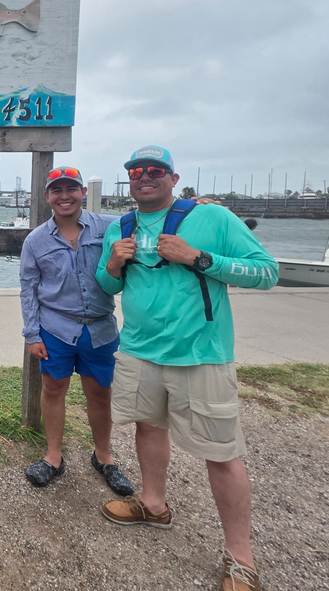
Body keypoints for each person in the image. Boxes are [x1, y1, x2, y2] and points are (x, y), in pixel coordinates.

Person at [96, 145, 277, 591]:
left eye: (156, 170)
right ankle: (153, 504)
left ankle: (240, 557)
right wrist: (114, 263)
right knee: (148, 427)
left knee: (222, 453)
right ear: (130, 181)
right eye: (136, 171)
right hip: (139, 351)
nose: (145, 177)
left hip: (202, 355)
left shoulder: (213, 219)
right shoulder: (121, 226)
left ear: (173, 179)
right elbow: (107, 283)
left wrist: (199, 258)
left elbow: (267, 272)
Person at [19, 166, 134, 495]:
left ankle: (104, 457)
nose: (64, 195)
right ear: (47, 197)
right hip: (55, 328)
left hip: (101, 329)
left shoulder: (110, 227)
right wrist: (32, 334)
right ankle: (53, 456)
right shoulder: (35, 240)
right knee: (53, 390)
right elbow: (28, 289)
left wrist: (196, 207)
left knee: (100, 393)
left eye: (71, 189)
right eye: (57, 190)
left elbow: (150, 221)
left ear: (83, 192)